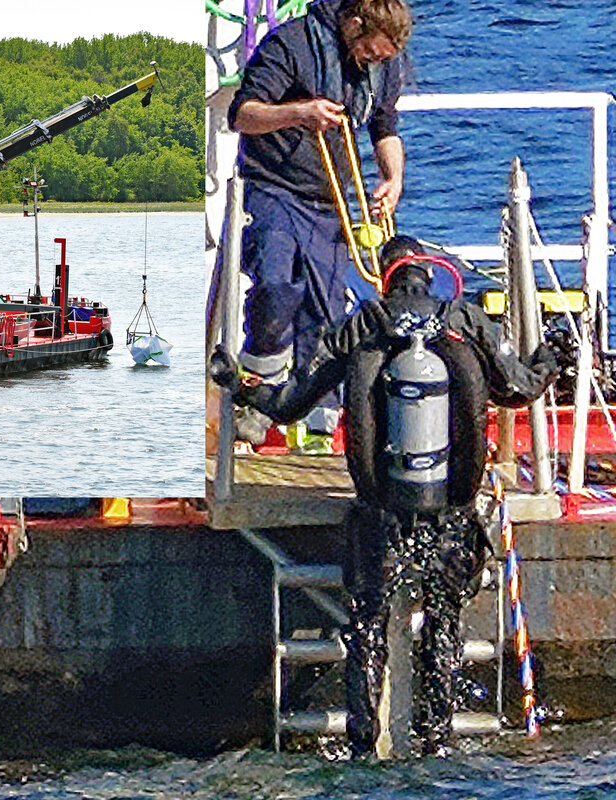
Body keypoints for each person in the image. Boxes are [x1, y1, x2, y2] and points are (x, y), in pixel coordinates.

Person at [211, 236, 560, 757]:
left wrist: (236, 383)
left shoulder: (362, 326)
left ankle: (359, 747)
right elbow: (519, 386)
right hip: (451, 514)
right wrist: (549, 358)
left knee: (367, 626)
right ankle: (436, 741)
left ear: (387, 278)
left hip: (379, 515)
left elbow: (288, 403)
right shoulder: (462, 320)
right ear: (428, 276)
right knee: (443, 626)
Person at [221, 0, 413, 450]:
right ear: (354, 24)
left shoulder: (384, 67)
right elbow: (242, 115)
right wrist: (300, 113)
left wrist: (393, 178)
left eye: (383, 59)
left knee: (328, 319)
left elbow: (384, 127)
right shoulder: (291, 45)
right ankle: (255, 397)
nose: (374, 62)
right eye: (371, 53)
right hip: (275, 190)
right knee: (276, 286)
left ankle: (318, 427)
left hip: (331, 201)